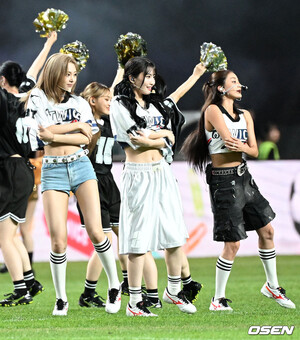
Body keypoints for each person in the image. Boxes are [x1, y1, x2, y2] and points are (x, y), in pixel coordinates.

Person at [181, 69, 296, 311]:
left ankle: (272, 286)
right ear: (221, 88)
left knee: (268, 230)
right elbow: (230, 141)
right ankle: (217, 299)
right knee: (232, 243)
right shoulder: (212, 110)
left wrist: (242, 145)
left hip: (245, 178)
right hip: (223, 180)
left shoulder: (245, 115)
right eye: (234, 81)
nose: (240, 85)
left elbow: (252, 151)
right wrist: (242, 145)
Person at [23, 53, 121, 316]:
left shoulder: (79, 101)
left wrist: (63, 130)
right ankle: (61, 299)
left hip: (80, 165)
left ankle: (114, 285)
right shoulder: (38, 97)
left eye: (75, 74)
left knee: (97, 231)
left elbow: (86, 137)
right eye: (67, 73)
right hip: (52, 170)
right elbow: (41, 133)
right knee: (58, 242)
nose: (72, 78)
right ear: (54, 72)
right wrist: (73, 127)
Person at [110, 56, 200, 316]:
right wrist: (163, 137)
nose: (151, 81)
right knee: (138, 240)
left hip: (162, 172)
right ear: (131, 78)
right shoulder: (119, 104)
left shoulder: (155, 105)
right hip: (138, 174)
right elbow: (136, 140)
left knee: (173, 235)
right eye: (146, 76)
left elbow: (168, 115)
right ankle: (135, 303)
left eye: (152, 76)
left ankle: (173, 292)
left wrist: (196, 74)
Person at [0, 32, 57, 305]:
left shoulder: (3, 101)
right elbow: (33, 72)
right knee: (13, 233)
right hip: (25, 169)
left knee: (5, 238)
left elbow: (28, 74)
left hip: (8, 170)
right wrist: (48, 45)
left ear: (2, 81)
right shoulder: (26, 99)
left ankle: (20, 290)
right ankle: (30, 282)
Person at [77, 78, 128, 308]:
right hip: (91, 182)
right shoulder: (82, 124)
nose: (111, 102)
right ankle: (93, 291)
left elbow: (114, 91)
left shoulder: (109, 120)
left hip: (109, 181)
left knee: (124, 234)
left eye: (110, 98)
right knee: (104, 238)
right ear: (92, 101)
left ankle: (128, 281)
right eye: (105, 99)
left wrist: (119, 69)